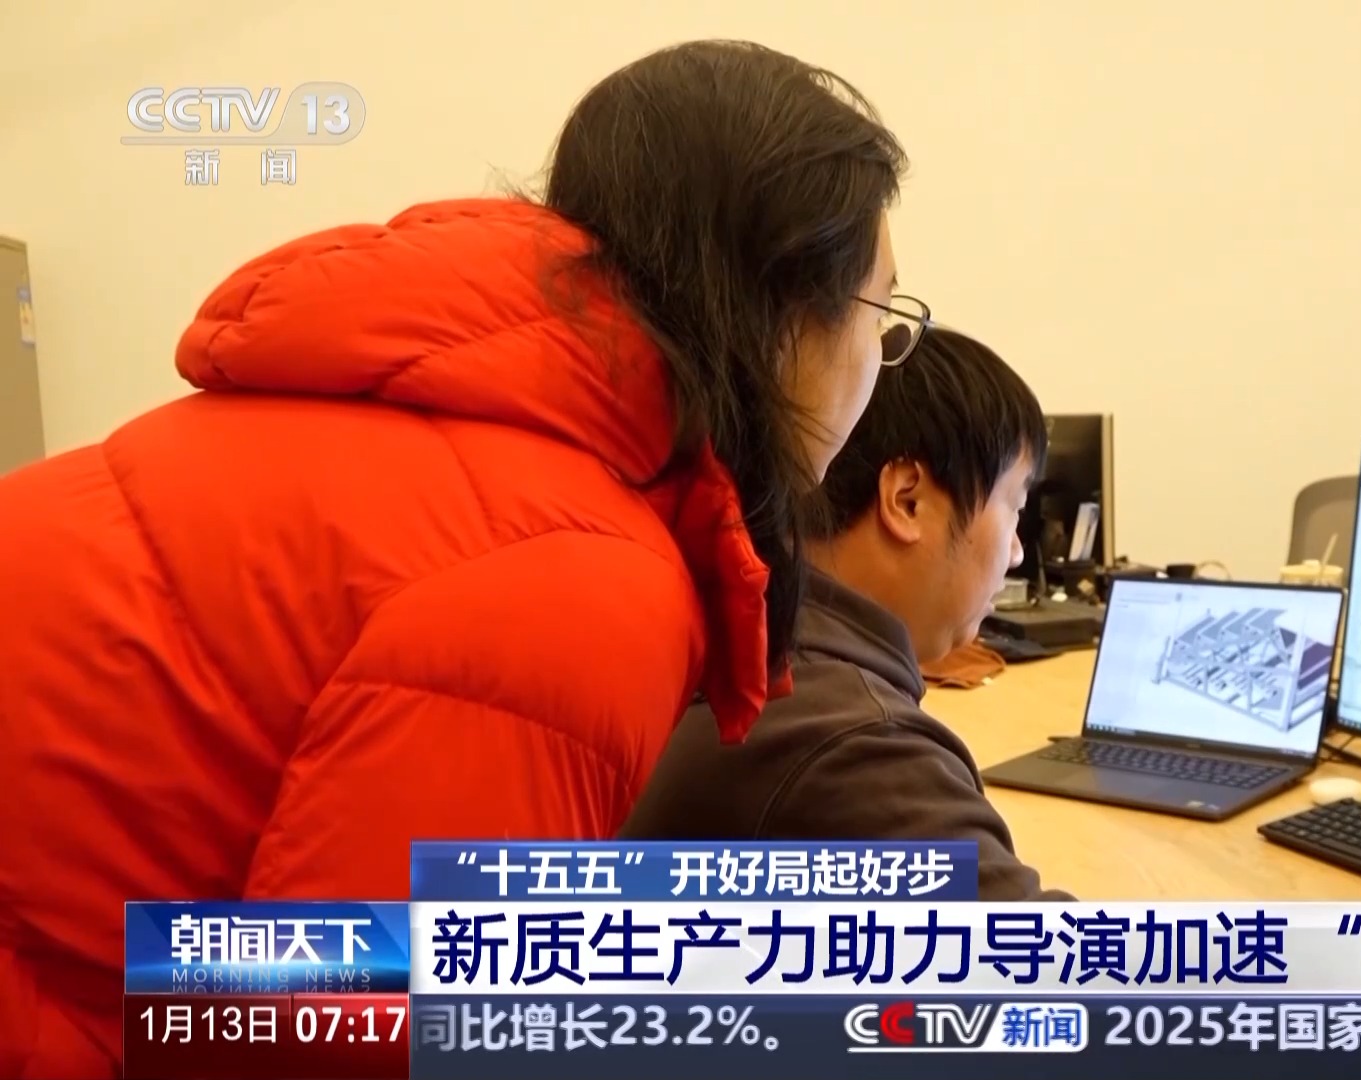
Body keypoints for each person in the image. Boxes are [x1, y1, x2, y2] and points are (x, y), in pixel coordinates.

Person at [0, 41, 914, 1079]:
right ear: (787, 304)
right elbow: (333, 1036)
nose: (879, 364)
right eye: (883, 317)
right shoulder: (579, 576)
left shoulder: (477, 417)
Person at [625, 327, 1070, 901]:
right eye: (1015, 507)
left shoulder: (762, 646)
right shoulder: (854, 743)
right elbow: (1046, 950)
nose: (1017, 551)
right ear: (907, 500)